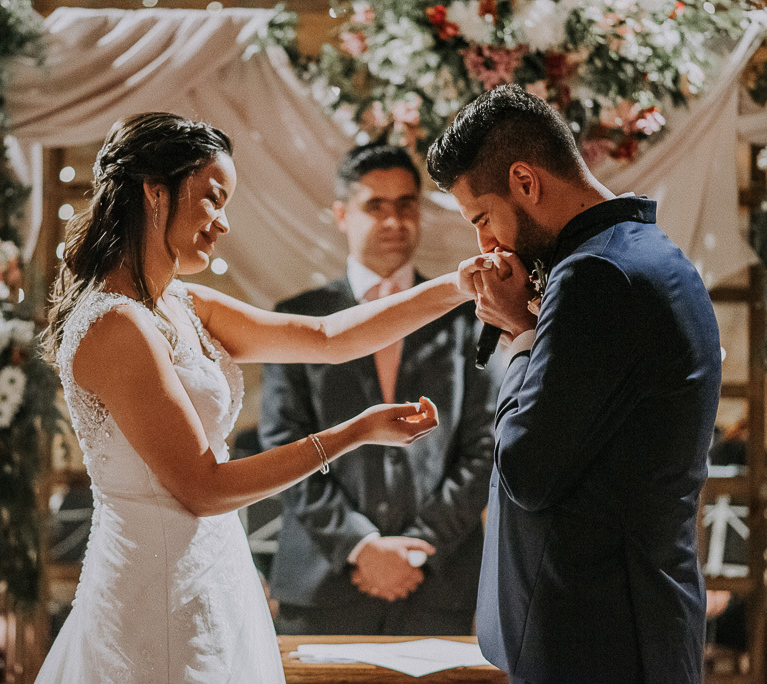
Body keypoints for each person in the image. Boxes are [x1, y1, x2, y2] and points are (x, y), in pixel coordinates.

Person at [35, 113, 478, 683]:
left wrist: (458, 285)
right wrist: (355, 432)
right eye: (212, 199)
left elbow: (329, 337)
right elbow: (202, 487)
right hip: (152, 591)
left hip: (214, 570)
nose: (222, 223)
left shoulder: (184, 305)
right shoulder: (115, 325)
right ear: (154, 192)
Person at [426, 85, 722, 683]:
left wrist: (519, 335)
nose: (486, 243)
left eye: (482, 218)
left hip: (598, 631)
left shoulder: (595, 275)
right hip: (632, 618)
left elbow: (527, 469)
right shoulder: (646, 252)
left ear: (525, 181)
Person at [259, 143, 496, 636]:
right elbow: (284, 443)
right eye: (376, 206)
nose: (394, 221)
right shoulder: (298, 318)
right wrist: (359, 546)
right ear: (342, 215)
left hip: (436, 583)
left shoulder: (466, 318)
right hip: (324, 585)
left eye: (406, 205)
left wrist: (418, 547)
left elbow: (484, 445)